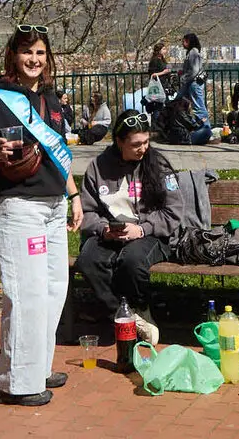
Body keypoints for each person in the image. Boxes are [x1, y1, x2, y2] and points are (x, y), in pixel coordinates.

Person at [0, 25, 81, 407]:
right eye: (27, 52)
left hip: (54, 205)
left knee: (53, 291)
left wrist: (74, 194)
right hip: (20, 207)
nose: (35, 59)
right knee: (26, 294)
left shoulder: (51, 98)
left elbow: (58, 152)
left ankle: (38, 366)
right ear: (13, 56)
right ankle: (14, 383)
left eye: (40, 53)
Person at [77, 110, 179, 345]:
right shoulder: (97, 167)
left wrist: (142, 229)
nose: (143, 149)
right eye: (135, 144)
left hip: (150, 233)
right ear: (119, 142)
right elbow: (87, 211)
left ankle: (140, 308)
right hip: (110, 232)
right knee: (88, 260)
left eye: (146, 142)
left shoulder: (159, 164)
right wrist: (103, 228)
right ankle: (123, 315)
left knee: (132, 261)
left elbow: (174, 212)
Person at [177, 32, 207, 121]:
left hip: (194, 83)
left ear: (188, 41)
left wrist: (184, 77)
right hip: (191, 83)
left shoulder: (193, 52)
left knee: (198, 107)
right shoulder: (192, 52)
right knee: (180, 101)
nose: (182, 44)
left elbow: (194, 70)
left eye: (184, 41)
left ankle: (205, 128)